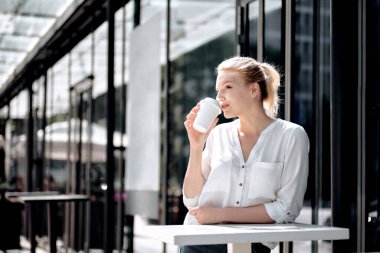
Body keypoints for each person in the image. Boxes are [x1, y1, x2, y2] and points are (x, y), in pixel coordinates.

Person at [181, 56, 309, 253]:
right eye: (218, 90)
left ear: (253, 90)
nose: (219, 97)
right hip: (199, 241)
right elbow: (192, 201)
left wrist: (219, 215)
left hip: (252, 246)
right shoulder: (217, 134)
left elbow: (286, 209)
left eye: (228, 87)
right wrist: (196, 146)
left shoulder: (291, 136)